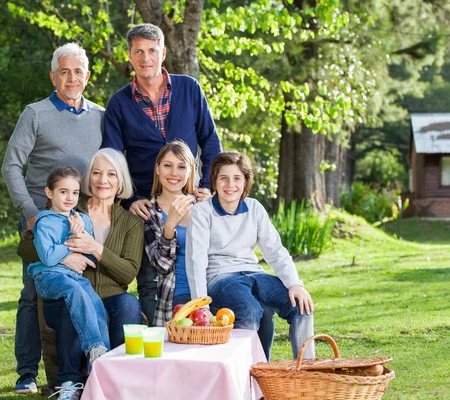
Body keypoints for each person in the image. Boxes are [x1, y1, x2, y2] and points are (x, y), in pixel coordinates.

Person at [2, 42, 104, 394]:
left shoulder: (101, 116)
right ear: (53, 76)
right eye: (64, 71)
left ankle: (84, 367)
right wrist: (30, 214)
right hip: (40, 221)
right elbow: (11, 165)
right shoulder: (36, 113)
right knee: (33, 294)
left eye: (78, 72)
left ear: (87, 76)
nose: (71, 78)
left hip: (79, 221)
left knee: (83, 288)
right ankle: (27, 373)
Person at [103, 23, 222, 325]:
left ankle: (204, 330)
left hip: (190, 198)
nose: (146, 58)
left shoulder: (189, 89)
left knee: (202, 269)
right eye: (138, 51)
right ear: (129, 56)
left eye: (152, 51)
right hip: (145, 206)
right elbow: (113, 159)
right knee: (150, 280)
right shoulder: (119, 103)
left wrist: (207, 185)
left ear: (163, 53)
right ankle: (156, 339)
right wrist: (129, 200)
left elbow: (210, 141)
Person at [186, 151, 315, 361]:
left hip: (254, 273)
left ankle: (306, 372)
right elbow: (196, 261)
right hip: (221, 278)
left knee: (302, 306)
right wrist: (202, 305)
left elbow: (275, 250)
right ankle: (250, 376)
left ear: (246, 182)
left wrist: (295, 284)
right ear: (215, 181)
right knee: (251, 312)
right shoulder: (202, 212)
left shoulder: (254, 208)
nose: (230, 185)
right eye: (223, 178)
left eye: (237, 178)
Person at [42, 149, 144, 400]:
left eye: (111, 174)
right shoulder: (70, 206)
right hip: (71, 295)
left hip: (111, 300)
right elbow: (31, 246)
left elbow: (128, 272)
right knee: (72, 300)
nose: (103, 180)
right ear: (88, 178)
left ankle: (118, 382)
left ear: (120, 181)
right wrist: (65, 258)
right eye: (97, 172)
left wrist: (95, 248)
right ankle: (71, 385)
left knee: (129, 304)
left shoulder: (131, 222)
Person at [28, 166, 110, 373]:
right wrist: (70, 244)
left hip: (74, 277)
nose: (69, 198)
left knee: (97, 305)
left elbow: (88, 258)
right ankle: (94, 347)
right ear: (49, 193)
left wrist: (79, 234)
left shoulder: (82, 221)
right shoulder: (44, 221)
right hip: (49, 277)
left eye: (74, 193)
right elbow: (47, 257)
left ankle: (99, 369)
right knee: (74, 292)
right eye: (63, 192)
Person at [144, 141, 197, 326]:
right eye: (168, 165)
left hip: (209, 289)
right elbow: (161, 265)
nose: (174, 173)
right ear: (157, 169)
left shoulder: (203, 208)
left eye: (181, 167)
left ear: (190, 171)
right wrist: (169, 228)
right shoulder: (149, 212)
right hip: (175, 295)